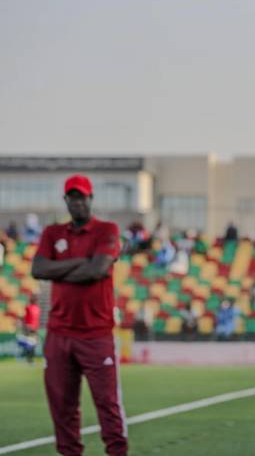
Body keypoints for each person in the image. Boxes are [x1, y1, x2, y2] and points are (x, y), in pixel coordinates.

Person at [31, 174, 128, 456]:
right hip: (59, 333)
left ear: (90, 199)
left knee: (107, 403)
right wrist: (79, 263)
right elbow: (38, 270)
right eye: (72, 197)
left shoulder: (107, 230)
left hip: (96, 334)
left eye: (81, 197)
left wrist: (59, 268)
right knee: (62, 405)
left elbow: (97, 270)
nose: (77, 203)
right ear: (66, 200)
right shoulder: (52, 233)